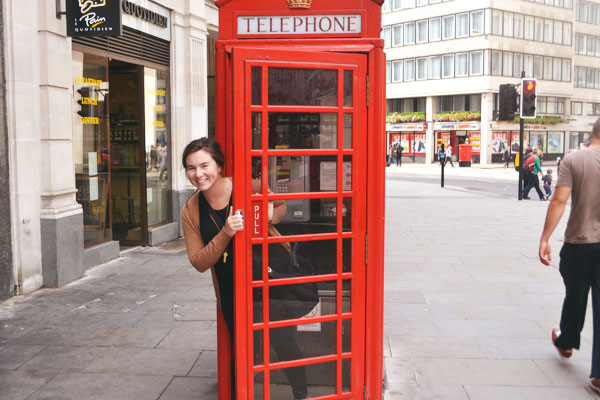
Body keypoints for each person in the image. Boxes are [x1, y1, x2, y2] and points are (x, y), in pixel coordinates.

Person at [181, 138, 309, 399]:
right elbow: (199, 262)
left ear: (219, 166)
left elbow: (280, 206)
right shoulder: (191, 209)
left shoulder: (248, 186)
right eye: (191, 168)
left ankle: (301, 393)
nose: (198, 174)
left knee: (283, 341)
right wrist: (226, 232)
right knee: (244, 347)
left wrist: (269, 215)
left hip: (269, 276)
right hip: (231, 288)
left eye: (204, 165)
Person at [538, 117, 600, 394]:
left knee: (575, 293)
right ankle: (598, 376)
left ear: (593, 132)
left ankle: (566, 341)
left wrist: (545, 238)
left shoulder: (574, 160)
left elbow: (559, 200)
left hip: (579, 242)